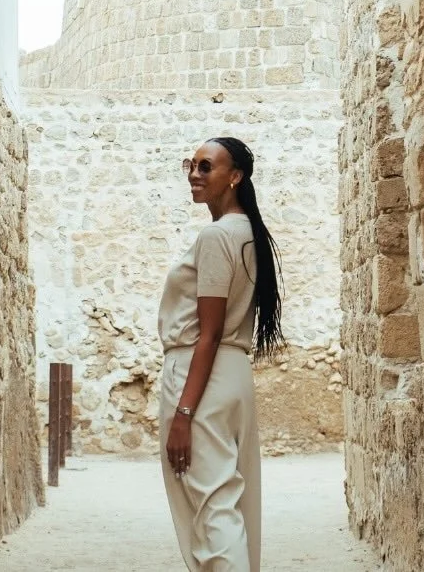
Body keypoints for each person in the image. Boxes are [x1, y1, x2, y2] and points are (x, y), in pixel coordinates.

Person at [157, 136, 285, 572]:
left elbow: (207, 334)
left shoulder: (216, 236)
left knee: (212, 508)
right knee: (233, 502)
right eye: (190, 165)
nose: (194, 174)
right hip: (233, 376)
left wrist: (184, 412)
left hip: (201, 375)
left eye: (206, 166)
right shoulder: (251, 231)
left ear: (235, 176)